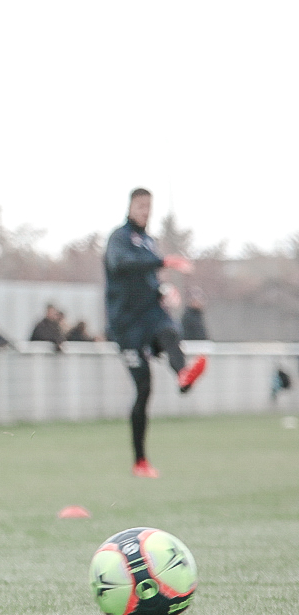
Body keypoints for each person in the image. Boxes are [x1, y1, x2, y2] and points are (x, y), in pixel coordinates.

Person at [105, 188, 208, 478]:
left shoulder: (149, 242)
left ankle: (183, 375)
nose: (145, 211)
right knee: (144, 388)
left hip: (149, 316)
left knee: (168, 330)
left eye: (148, 206)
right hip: (126, 326)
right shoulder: (120, 238)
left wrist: (164, 289)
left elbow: (148, 279)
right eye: (140, 205)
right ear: (130, 206)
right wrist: (163, 262)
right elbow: (121, 265)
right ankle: (140, 461)